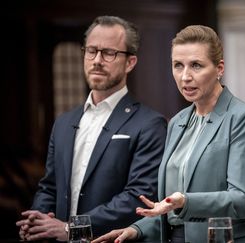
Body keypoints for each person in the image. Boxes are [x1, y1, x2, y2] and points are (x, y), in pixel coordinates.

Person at [93, 25, 245, 243]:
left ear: (219, 68)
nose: (185, 76)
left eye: (196, 65)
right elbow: (169, 206)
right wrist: (136, 230)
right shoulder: (177, 121)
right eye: (178, 65)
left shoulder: (244, 117)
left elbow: (241, 200)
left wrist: (185, 201)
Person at [15, 16, 167, 241]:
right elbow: (49, 186)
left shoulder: (150, 124)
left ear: (130, 62)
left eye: (109, 53)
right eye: (91, 51)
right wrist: (36, 222)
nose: (97, 60)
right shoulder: (64, 122)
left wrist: (71, 229)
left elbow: (138, 197)